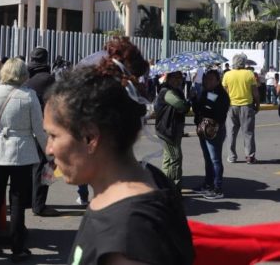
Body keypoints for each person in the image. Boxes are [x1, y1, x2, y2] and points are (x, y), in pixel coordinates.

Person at [43, 40, 194, 265]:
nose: (49, 148)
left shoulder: (129, 231)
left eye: (54, 135)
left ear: (90, 138)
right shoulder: (148, 181)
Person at [0, 58, 47, 261]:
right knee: (17, 200)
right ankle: (17, 246)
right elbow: (38, 129)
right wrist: (49, 153)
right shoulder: (29, 95)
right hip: (21, 152)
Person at [25, 47, 58, 217]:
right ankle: (39, 205)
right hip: (43, 129)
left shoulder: (27, 78)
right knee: (44, 166)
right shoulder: (48, 79)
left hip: (26, 127)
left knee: (29, 167)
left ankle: (28, 200)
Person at [191, 70, 230, 200]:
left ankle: (217, 188)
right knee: (208, 159)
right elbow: (198, 109)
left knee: (215, 160)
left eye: (211, 79)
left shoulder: (221, 94)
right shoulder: (205, 92)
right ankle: (208, 184)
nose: (208, 81)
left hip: (214, 131)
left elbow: (220, 113)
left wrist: (208, 105)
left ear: (218, 81)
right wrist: (194, 99)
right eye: (206, 79)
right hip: (203, 129)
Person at [155, 70, 190, 191]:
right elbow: (181, 106)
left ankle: (165, 186)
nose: (177, 80)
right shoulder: (167, 92)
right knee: (175, 158)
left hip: (171, 129)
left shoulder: (176, 91)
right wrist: (187, 103)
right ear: (168, 79)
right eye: (174, 78)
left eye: (179, 78)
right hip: (168, 131)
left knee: (168, 159)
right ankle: (174, 188)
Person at [223, 53, 260, 164]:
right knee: (248, 132)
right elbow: (255, 93)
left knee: (231, 132)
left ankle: (232, 156)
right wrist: (257, 104)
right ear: (244, 62)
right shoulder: (249, 74)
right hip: (246, 106)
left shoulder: (227, 75)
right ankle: (249, 156)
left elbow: (224, 92)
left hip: (231, 106)